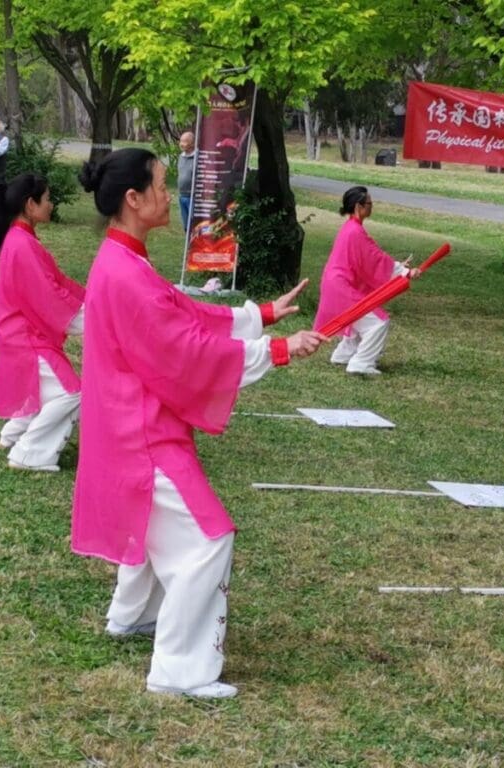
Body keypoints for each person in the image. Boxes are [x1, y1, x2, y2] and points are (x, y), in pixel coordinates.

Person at [71, 148, 324, 699]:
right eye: (161, 185)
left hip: (129, 425)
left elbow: (182, 312)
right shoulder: (124, 272)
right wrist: (275, 350)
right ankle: (180, 672)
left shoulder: (124, 259)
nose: (170, 194)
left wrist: (259, 316)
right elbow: (184, 349)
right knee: (209, 539)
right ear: (133, 200)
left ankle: (130, 614)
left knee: (163, 529)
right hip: (142, 437)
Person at [0, 174, 85, 472]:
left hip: (19, 331)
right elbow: (49, 296)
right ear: (30, 205)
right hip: (23, 336)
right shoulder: (22, 244)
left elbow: (57, 282)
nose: (51, 205)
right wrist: (90, 317)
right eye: (47, 198)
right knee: (71, 392)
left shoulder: (21, 239)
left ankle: (12, 436)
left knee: (44, 388)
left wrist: (92, 300)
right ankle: (28, 453)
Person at [313, 186, 418, 375]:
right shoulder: (355, 232)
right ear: (358, 206)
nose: (372, 207)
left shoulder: (350, 228)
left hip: (335, 284)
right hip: (341, 287)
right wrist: (405, 272)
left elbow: (369, 259)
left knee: (356, 319)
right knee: (378, 322)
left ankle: (344, 354)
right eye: (369, 203)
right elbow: (375, 259)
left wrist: (401, 268)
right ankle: (361, 363)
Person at [176, 131, 196, 233]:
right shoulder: (181, 156)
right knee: (186, 224)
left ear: (192, 143)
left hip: (193, 196)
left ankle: (195, 245)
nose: (181, 144)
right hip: (182, 195)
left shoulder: (197, 158)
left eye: (184, 141)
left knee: (193, 223)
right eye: (181, 141)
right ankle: (188, 246)